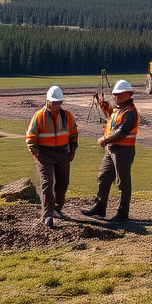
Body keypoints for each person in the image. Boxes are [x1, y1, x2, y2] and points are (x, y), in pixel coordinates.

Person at [82, 79, 140, 223]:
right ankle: (99, 208)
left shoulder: (130, 113)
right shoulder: (119, 109)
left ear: (127, 94)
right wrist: (101, 103)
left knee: (123, 182)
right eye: (115, 94)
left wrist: (105, 139)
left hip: (123, 151)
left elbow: (122, 132)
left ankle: (123, 213)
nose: (115, 96)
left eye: (118, 94)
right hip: (112, 150)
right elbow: (110, 115)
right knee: (104, 177)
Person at [25, 85, 79, 228]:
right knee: (47, 183)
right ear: (48, 101)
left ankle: (57, 206)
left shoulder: (67, 116)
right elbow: (30, 138)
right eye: (54, 103)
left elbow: (73, 133)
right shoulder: (39, 116)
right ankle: (48, 214)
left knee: (63, 184)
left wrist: (72, 149)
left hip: (63, 153)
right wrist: (37, 154)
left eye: (59, 103)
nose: (57, 105)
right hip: (45, 155)